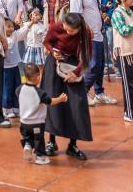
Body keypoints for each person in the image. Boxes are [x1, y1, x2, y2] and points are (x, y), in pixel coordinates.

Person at [42, 12, 92, 159]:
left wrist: (76, 73)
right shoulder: (57, 27)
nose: (67, 31)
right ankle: (51, 141)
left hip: (73, 66)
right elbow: (47, 42)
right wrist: (53, 51)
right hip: (55, 64)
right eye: (66, 28)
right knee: (53, 101)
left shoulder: (86, 32)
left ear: (79, 28)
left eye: (71, 31)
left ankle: (73, 145)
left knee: (76, 105)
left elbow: (87, 55)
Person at [69, 0, 113, 105]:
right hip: (89, 36)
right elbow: (76, 15)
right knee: (93, 66)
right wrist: (87, 29)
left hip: (98, 34)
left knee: (100, 65)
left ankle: (99, 92)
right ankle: (83, 91)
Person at [18, 62, 66, 166]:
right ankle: (40, 157)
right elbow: (50, 101)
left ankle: (27, 145)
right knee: (38, 140)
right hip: (37, 123)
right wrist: (60, 99)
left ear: (25, 77)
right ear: (38, 77)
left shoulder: (19, 89)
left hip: (23, 122)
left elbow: (18, 95)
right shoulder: (39, 93)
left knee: (28, 137)